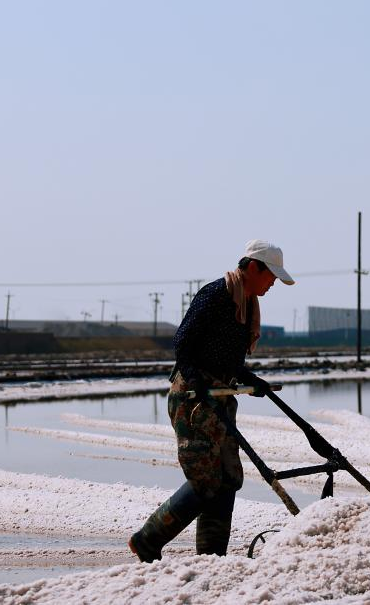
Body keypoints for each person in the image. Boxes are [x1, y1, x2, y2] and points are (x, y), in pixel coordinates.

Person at [129, 239, 294, 562]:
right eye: (271, 275)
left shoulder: (246, 304)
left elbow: (227, 360)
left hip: (220, 399)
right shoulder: (217, 294)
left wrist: (251, 380)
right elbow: (183, 343)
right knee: (206, 480)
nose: (273, 282)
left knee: (228, 479)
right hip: (193, 401)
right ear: (252, 267)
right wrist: (197, 384)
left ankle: (211, 558)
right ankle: (148, 539)